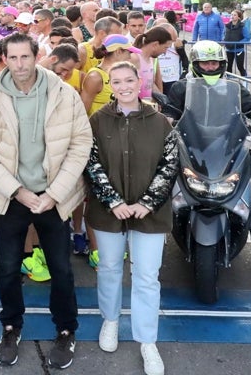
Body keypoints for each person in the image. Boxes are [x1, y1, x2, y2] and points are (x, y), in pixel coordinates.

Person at [0, 33, 92, 369]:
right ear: (5, 60)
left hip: (54, 198)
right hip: (13, 198)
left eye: (26, 57)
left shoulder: (63, 95)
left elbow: (80, 145)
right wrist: (17, 191)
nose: (20, 65)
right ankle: (11, 326)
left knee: (62, 270)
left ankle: (66, 330)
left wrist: (54, 193)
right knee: (8, 269)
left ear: (38, 57)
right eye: (13, 58)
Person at [85, 61, 178, 375]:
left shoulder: (160, 121)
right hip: (109, 213)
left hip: (149, 214)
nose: (124, 86)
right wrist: (113, 201)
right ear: (110, 85)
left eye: (129, 80)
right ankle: (110, 321)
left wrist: (148, 202)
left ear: (140, 81)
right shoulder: (98, 120)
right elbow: (91, 162)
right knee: (109, 268)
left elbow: (169, 164)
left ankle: (147, 341)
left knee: (147, 277)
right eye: (117, 81)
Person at [164, 40, 251, 270]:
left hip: (227, 150)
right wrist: (166, 119)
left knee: (250, 201)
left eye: (214, 62)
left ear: (223, 63)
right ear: (195, 64)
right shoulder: (181, 88)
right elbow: (169, 110)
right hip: (191, 148)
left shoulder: (233, 87)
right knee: (163, 190)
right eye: (204, 63)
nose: (210, 67)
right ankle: (155, 238)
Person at [224, 10, 250, 76]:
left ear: (239, 17)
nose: (232, 16)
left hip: (238, 49)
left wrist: (238, 43)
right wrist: (223, 40)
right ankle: (229, 80)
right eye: (231, 15)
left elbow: (247, 37)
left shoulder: (242, 26)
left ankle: (244, 80)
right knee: (229, 66)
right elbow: (223, 34)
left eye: (234, 15)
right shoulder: (227, 26)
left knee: (240, 66)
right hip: (228, 49)